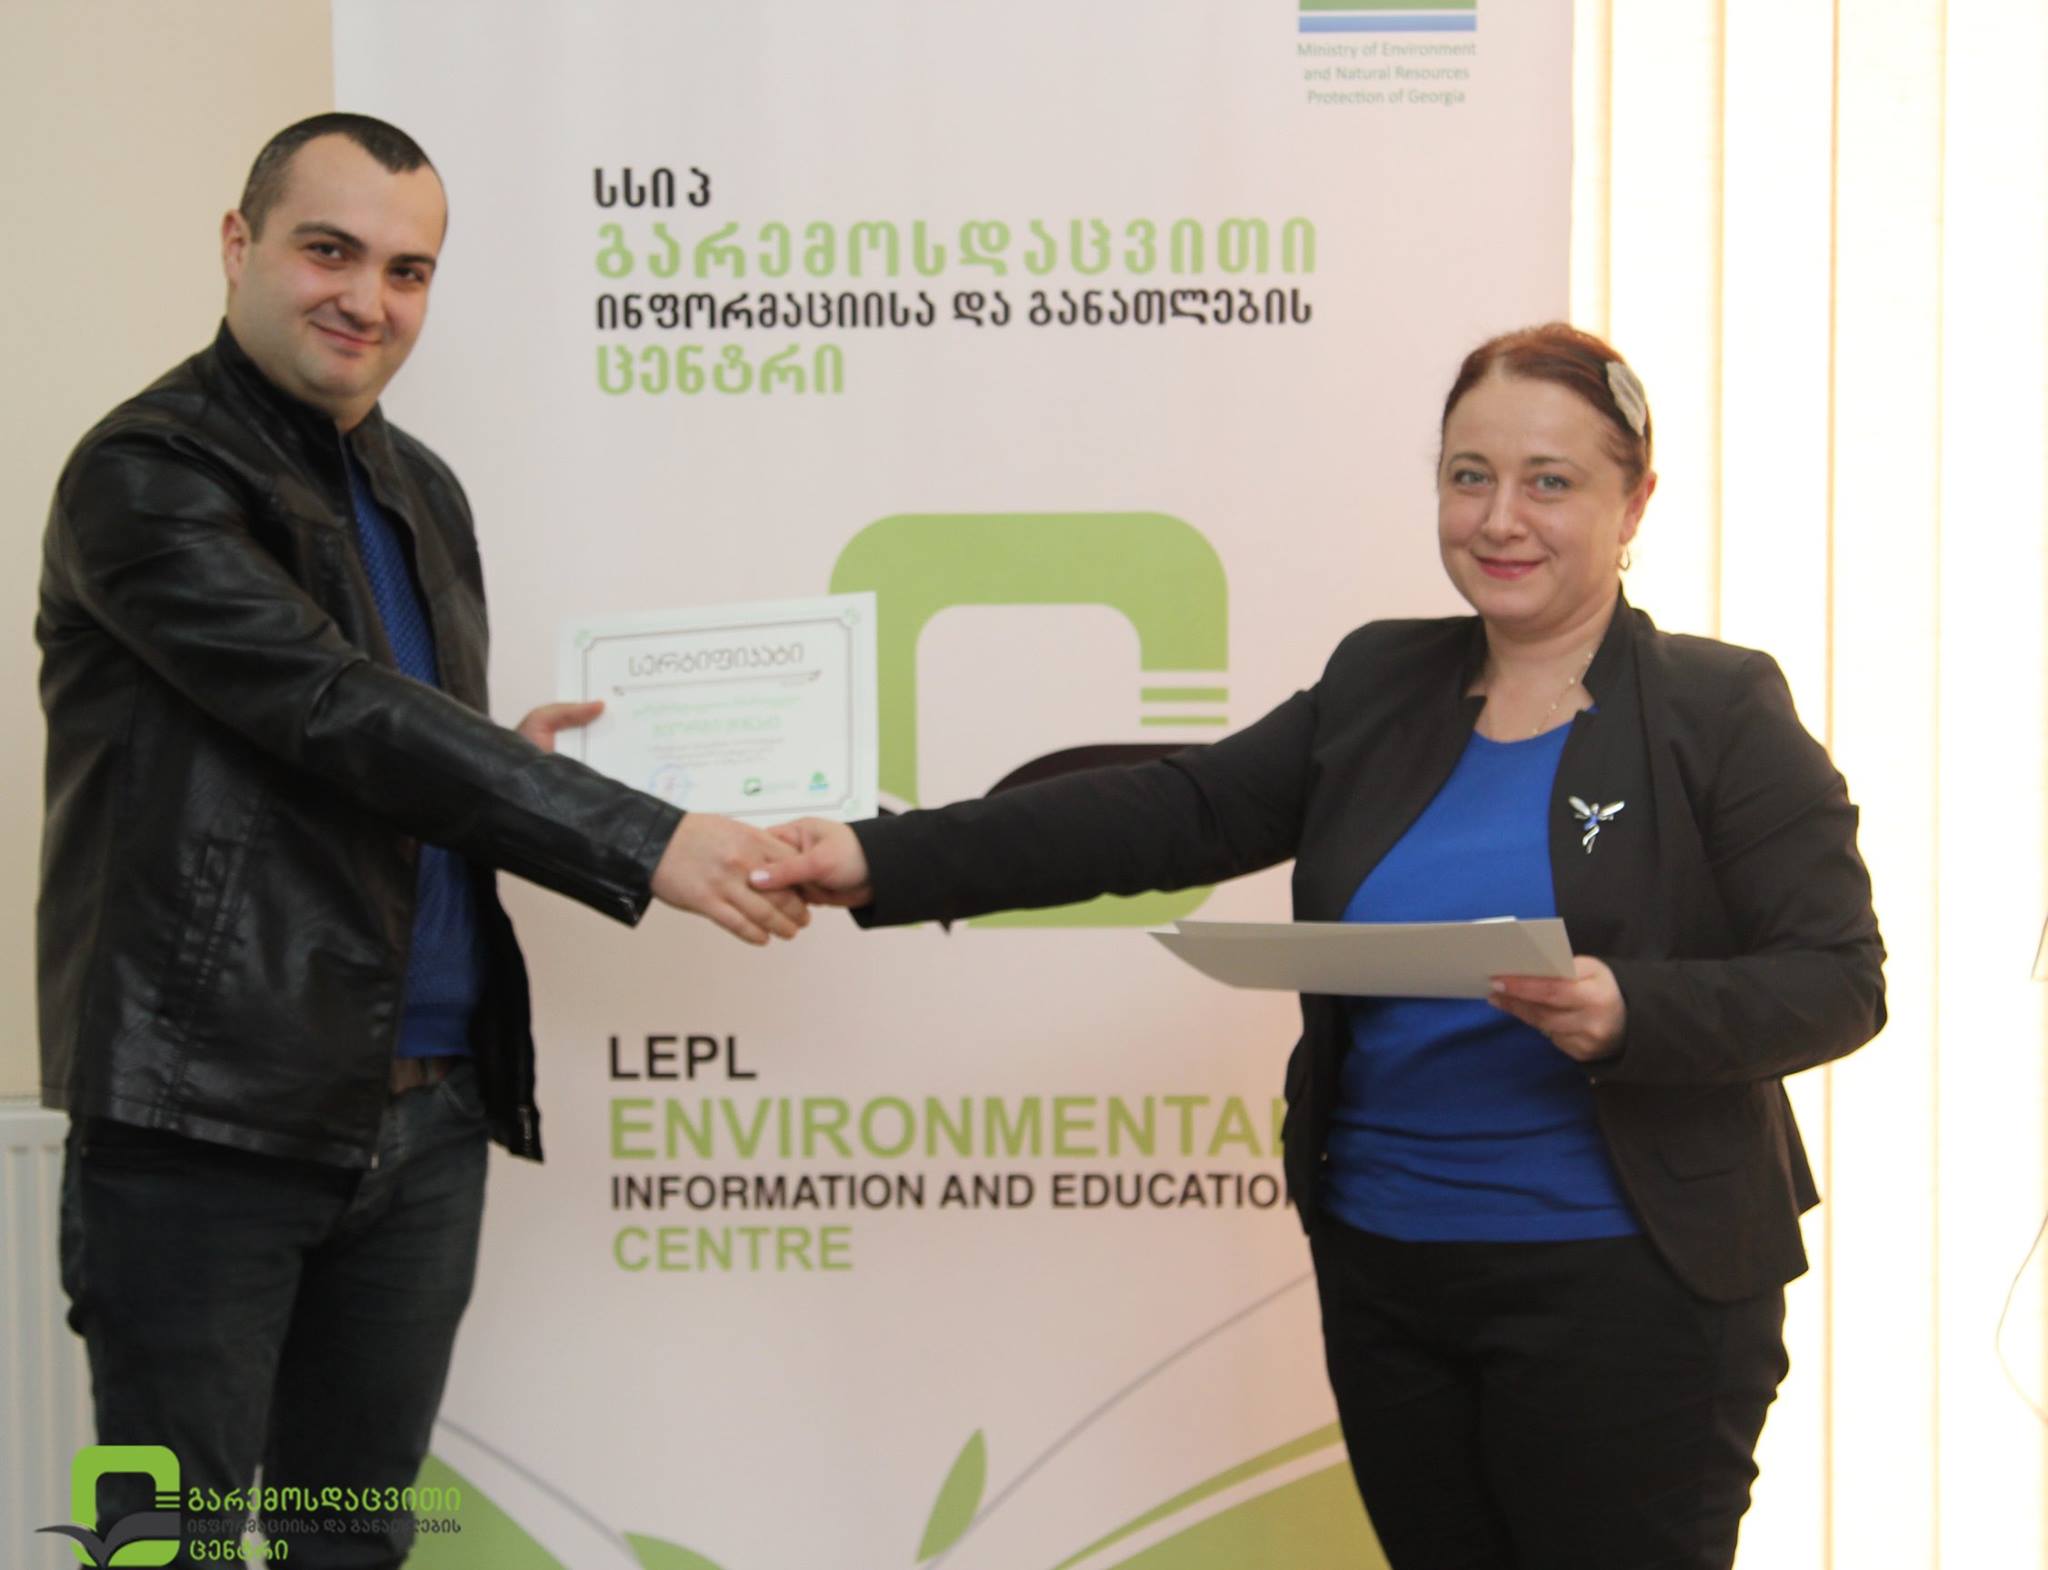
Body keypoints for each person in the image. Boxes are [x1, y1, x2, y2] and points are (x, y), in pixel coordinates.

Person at [756, 323, 1886, 1570]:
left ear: (1633, 504)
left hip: (1629, 1286)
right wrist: (877, 856)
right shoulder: (1377, 681)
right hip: (1389, 1271)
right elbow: (1173, 811)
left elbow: (1837, 977)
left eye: (1549, 482)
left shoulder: (1716, 708)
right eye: (1467, 476)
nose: (1498, 518)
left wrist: (1630, 1008)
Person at [39, 113, 806, 1567]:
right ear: (238, 245)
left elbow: (378, 747)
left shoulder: (419, 485)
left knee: (349, 1540)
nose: (367, 299)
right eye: (327, 251)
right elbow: (329, 705)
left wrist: (511, 769)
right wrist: (642, 839)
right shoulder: (143, 474)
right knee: (171, 1543)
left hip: (426, 1113)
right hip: (208, 1122)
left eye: (407, 270)